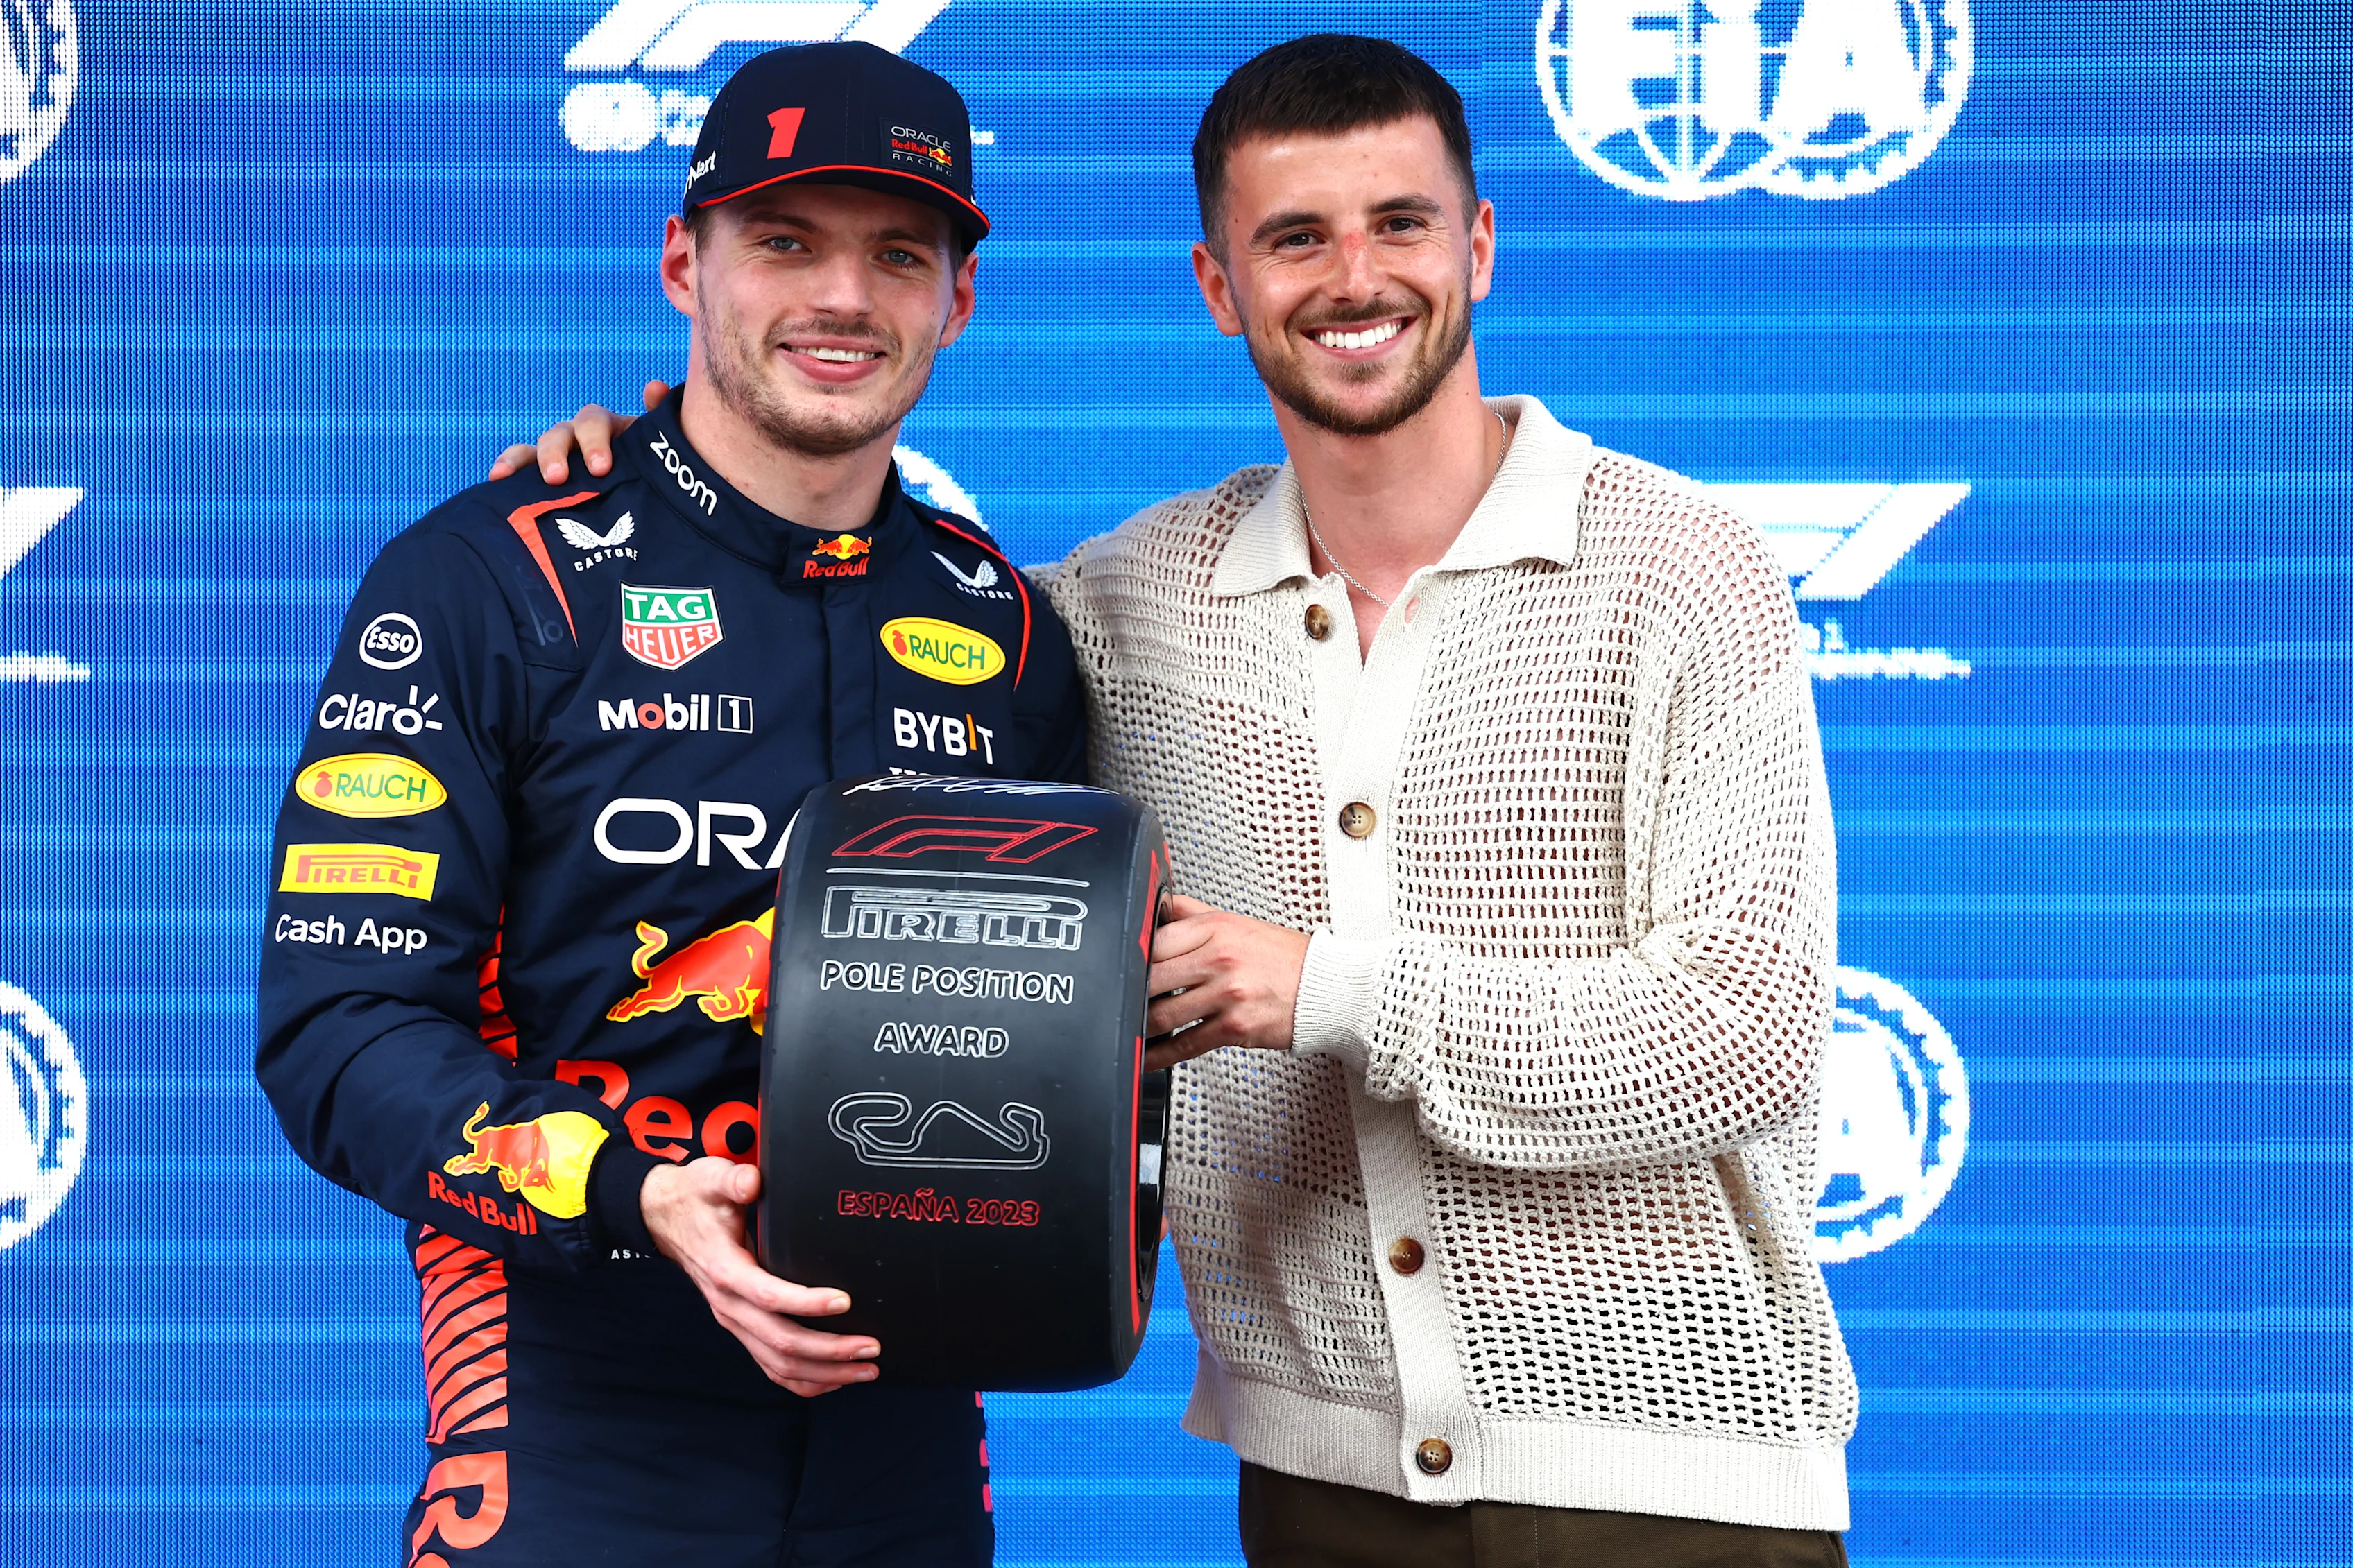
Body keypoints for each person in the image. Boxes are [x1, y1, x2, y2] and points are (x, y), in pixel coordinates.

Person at [508, 34, 1854, 1566]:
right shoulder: (1117, 604)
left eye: (1400, 223)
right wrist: (655, 481)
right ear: (1220, 286)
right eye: (1295, 237)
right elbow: (851, 614)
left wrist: (1325, 989)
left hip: (1674, 1481)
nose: (1355, 276)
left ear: (1476, 242)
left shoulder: (1689, 570)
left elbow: (1740, 1037)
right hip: (1310, 1474)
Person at [257, 41, 1085, 1565]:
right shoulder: (487, 577)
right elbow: (341, 1029)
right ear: (681, 262)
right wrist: (642, 1196)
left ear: (955, 301)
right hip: (574, 1385)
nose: (842, 297)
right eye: (783, 242)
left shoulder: (1016, 633)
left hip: (903, 1420)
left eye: (897, 255)